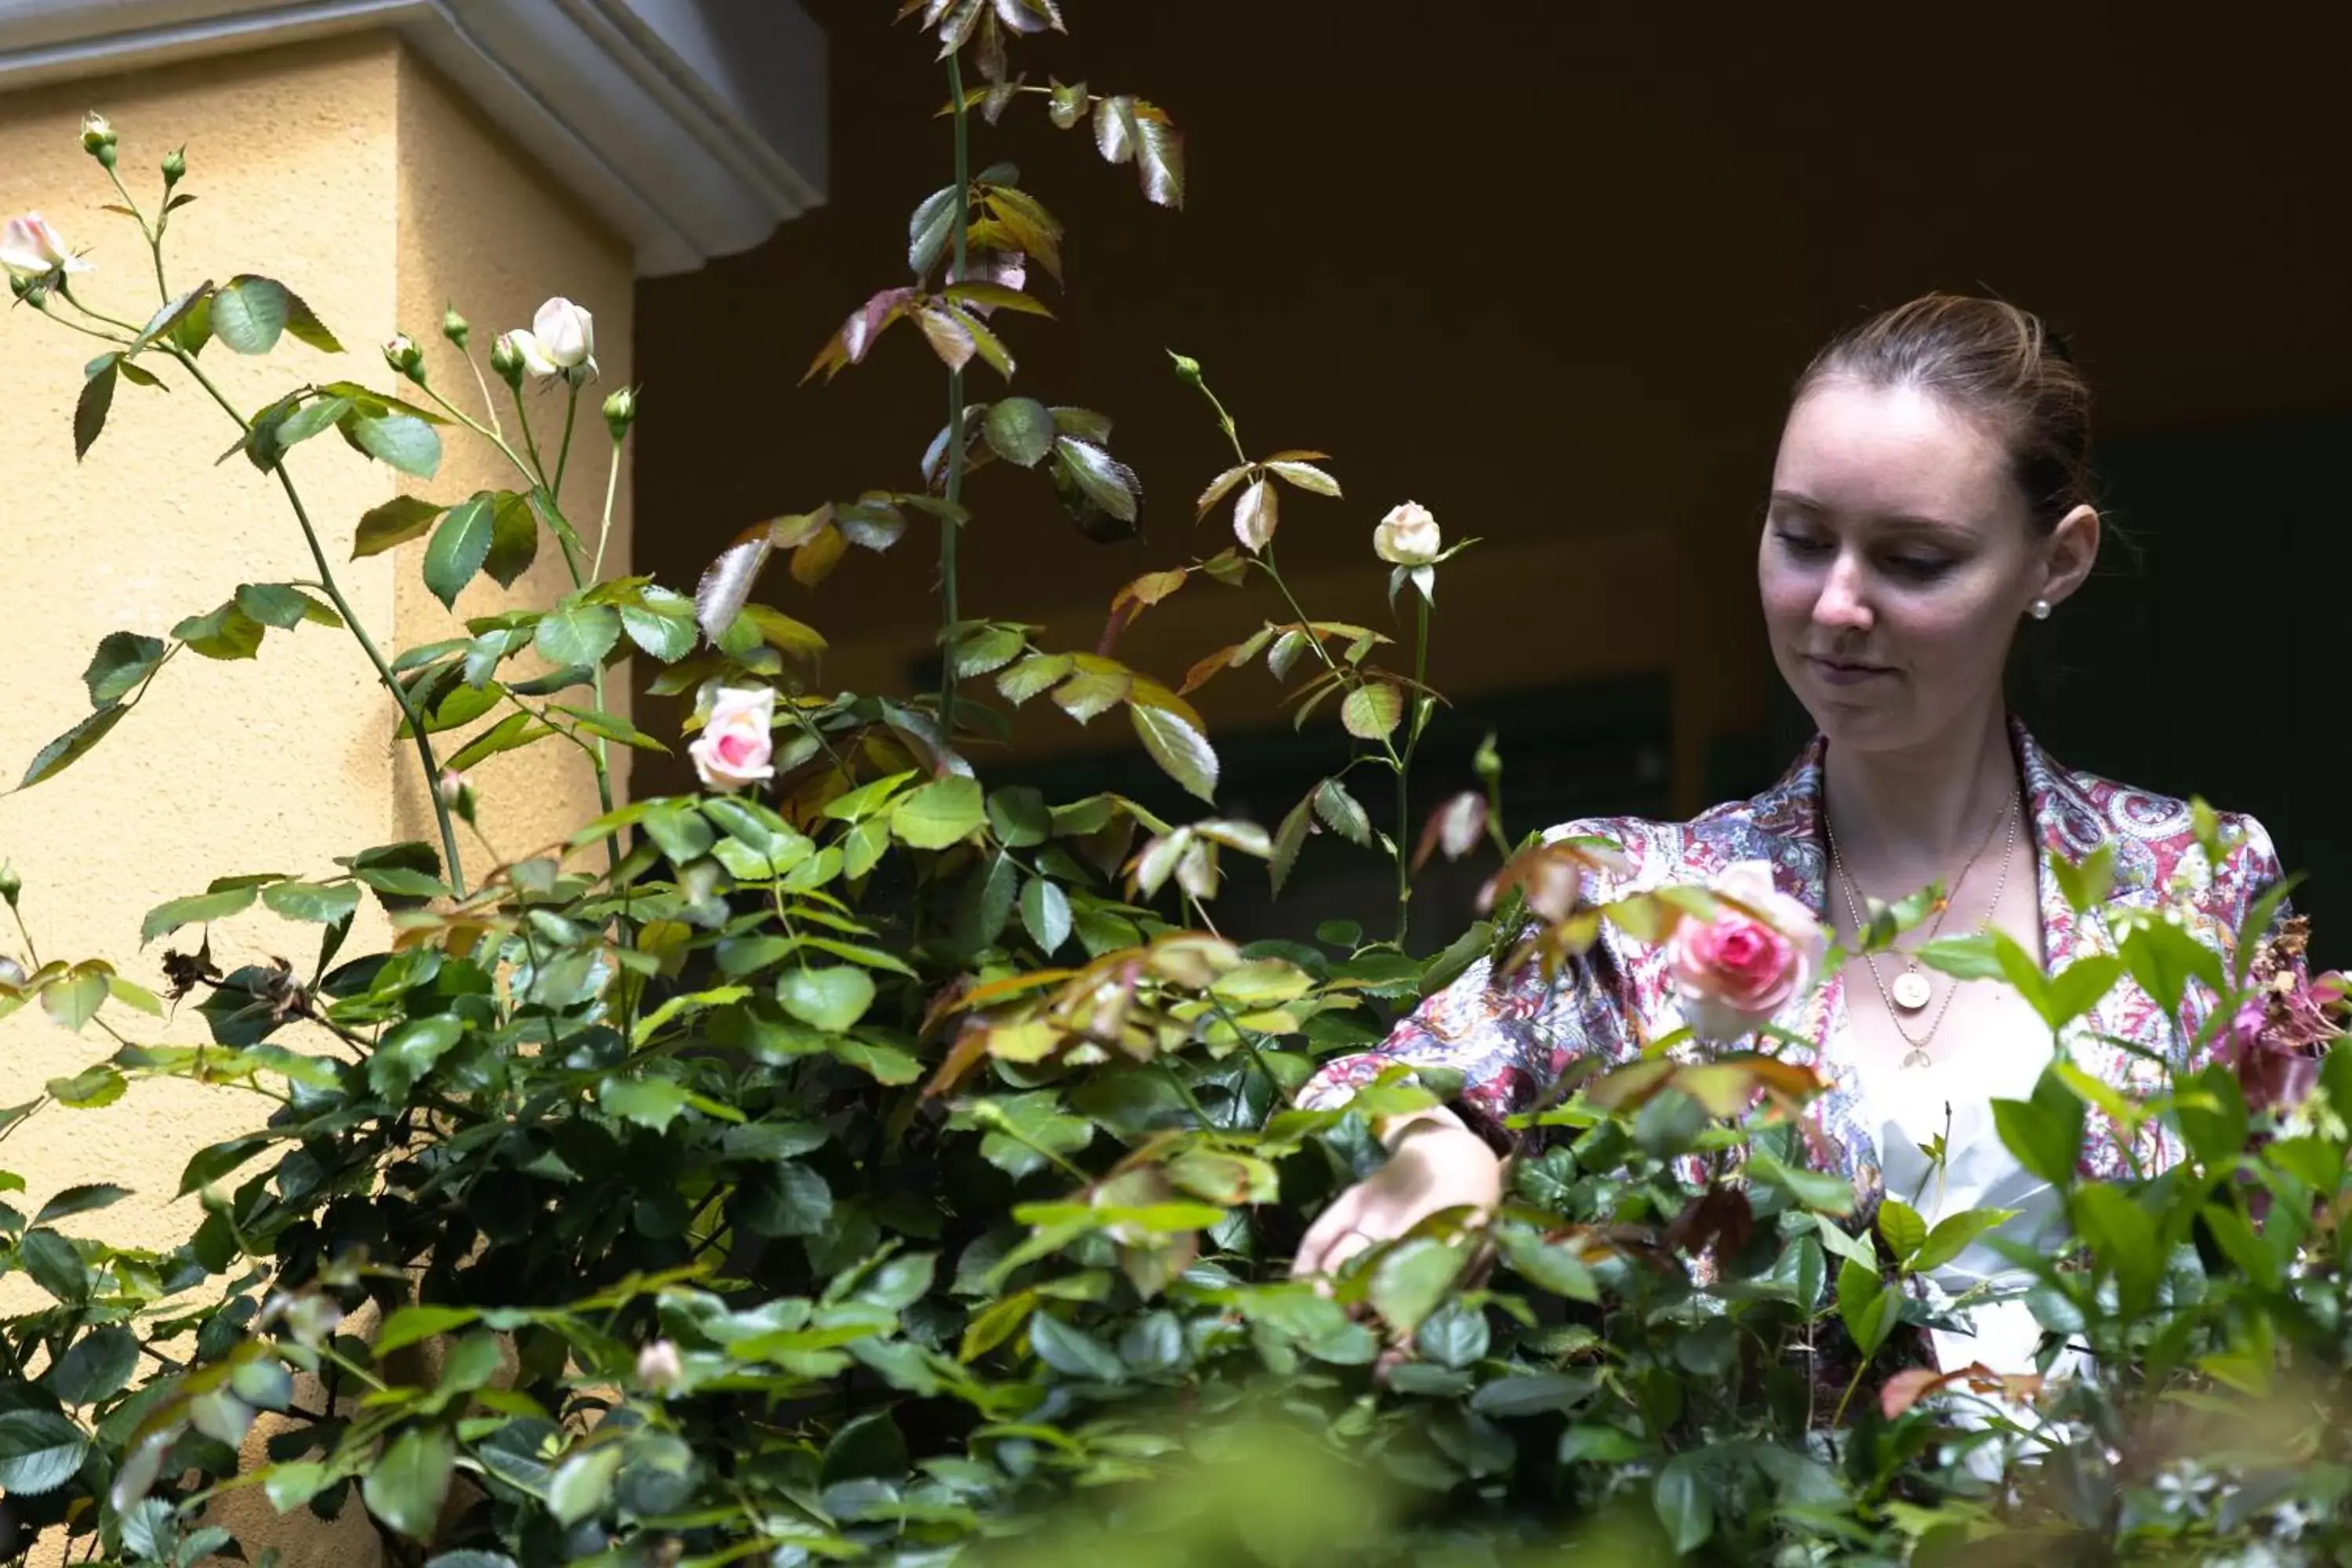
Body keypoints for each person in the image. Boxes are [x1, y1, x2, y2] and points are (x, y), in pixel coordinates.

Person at [1290, 294, 2295, 1381]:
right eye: (1802, 539)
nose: (1835, 606)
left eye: (1914, 560)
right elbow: (1369, 1086)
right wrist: (1443, 1149)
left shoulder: (2190, 876)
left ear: (2057, 564)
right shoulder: (1636, 896)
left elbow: (2288, 1257)